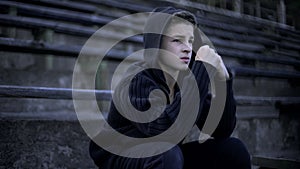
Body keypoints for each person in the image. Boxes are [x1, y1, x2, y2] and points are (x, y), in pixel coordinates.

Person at [89, 6, 251, 169]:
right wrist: (201, 70)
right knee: (167, 154)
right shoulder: (137, 79)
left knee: (233, 150)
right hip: (121, 156)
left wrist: (222, 80)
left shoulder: (185, 80)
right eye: (177, 40)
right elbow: (163, 130)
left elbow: (221, 130)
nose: (187, 48)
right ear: (157, 45)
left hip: (165, 155)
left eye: (190, 41)